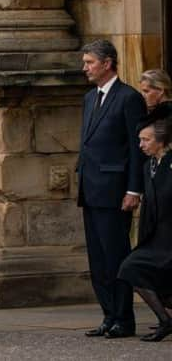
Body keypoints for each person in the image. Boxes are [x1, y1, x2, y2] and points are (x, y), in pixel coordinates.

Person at [78, 39, 146, 339]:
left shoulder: (129, 97)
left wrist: (134, 189)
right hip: (91, 189)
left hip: (115, 191)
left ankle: (124, 318)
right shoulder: (89, 99)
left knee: (116, 256)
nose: (85, 68)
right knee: (98, 259)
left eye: (90, 62)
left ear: (107, 63)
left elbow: (136, 148)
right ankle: (108, 315)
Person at [118, 113, 172, 342]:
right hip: (155, 236)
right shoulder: (147, 164)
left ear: (161, 141)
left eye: (146, 140)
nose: (140, 145)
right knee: (130, 268)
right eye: (140, 139)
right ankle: (166, 320)